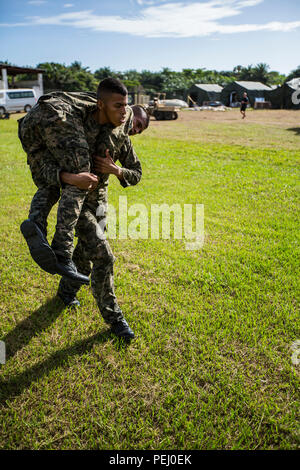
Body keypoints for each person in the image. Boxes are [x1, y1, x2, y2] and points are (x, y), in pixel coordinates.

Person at [18, 79, 148, 285]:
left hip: (30, 125)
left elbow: (137, 172)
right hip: (55, 114)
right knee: (82, 176)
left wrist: (116, 170)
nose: (134, 129)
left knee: (52, 180)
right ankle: (62, 251)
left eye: (140, 131)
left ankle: (36, 224)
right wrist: (78, 177)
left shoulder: (115, 129)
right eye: (136, 124)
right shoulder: (113, 115)